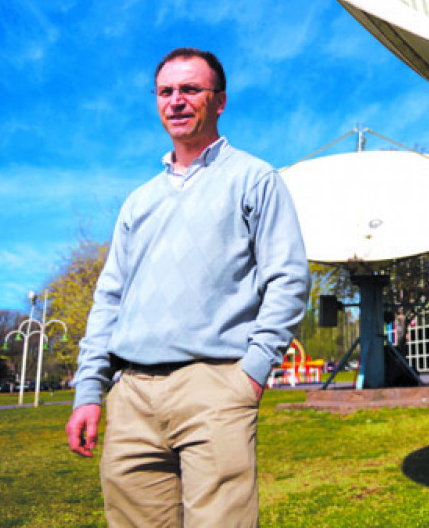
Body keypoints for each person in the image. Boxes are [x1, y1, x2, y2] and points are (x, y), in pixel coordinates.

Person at [65, 47, 310, 527]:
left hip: (216, 385)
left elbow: (287, 279)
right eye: (166, 91)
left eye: (190, 89)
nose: (176, 100)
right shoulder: (139, 202)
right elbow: (109, 298)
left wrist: (251, 374)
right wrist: (90, 391)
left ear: (219, 101)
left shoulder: (254, 179)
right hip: (132, 393)